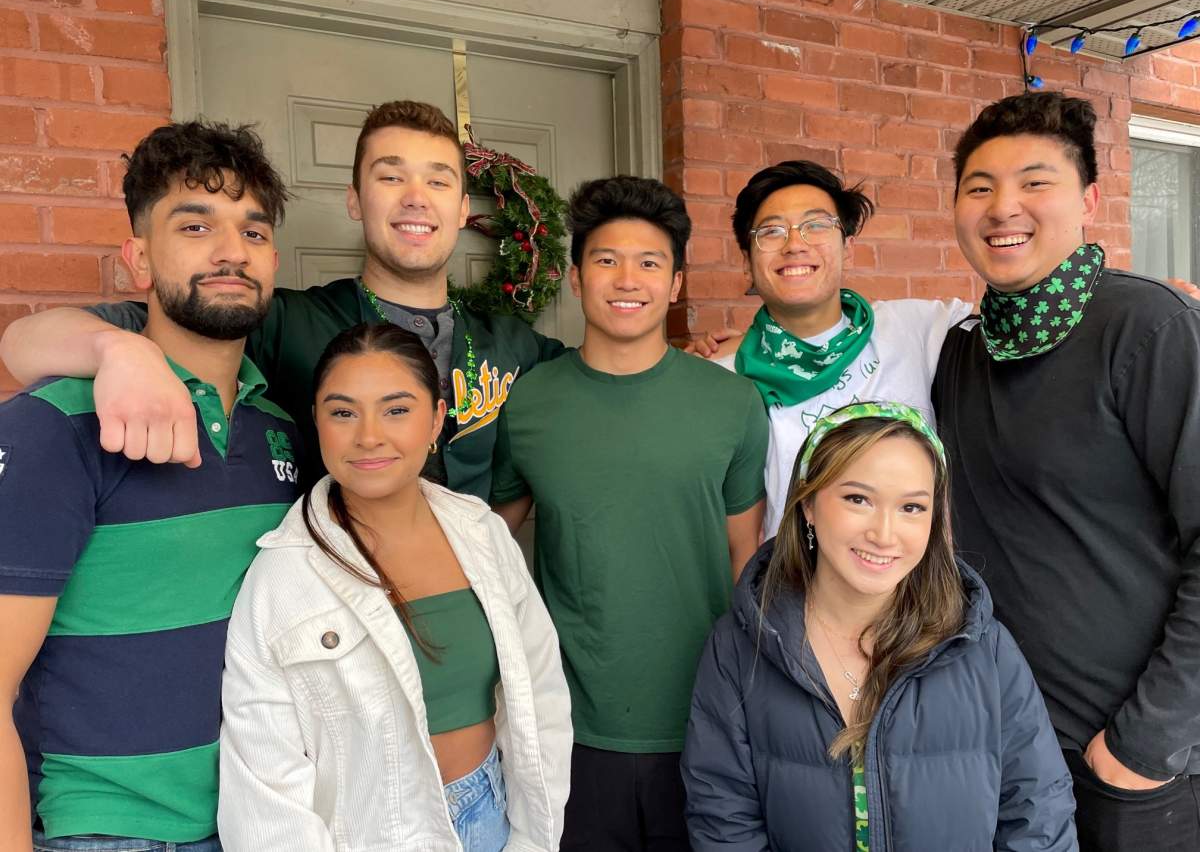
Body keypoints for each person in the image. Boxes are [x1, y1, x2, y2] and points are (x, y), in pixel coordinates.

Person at [0, 100, 564, 498]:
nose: (417, 199)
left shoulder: (511, 342)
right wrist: (118, 352)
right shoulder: (281, 318)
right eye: (391, 178)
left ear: (463, 210)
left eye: (439, 182)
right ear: (354, 200)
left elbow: (605, 380)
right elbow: (24, 343)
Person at [0, 121, 300, 851]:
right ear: (138, 259)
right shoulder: (58, 424)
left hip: (267, 818)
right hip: (107, 832)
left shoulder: (279, 426)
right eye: (195, 225)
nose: (232, 250)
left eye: (253, 233)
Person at [932, 91, 1200, 851]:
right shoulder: (965, 348)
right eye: (979, 186)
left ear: (1088, 199)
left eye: (1034, 182)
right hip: (1011, 752)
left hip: (1130, 767)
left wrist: (1142, 746)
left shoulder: (1147, 328)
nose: (1002, 206)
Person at [490, 175, 769, 850]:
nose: (627, 279)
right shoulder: (529, 404)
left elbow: (745, 559)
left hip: (703, 721)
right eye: (606, 259)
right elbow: (489, 547)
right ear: (578, 277)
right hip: (571, 726)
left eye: (650, 263)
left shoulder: (731, 404)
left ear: (675, 284)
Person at [218, 322, 571, 851]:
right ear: (316, 421)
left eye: (397, 409)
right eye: (343, 412)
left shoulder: (481, 532)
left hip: (491, 814)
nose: (368, 436)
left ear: (436, 420)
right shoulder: (283, 574)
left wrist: (531, 839)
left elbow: (540, 694)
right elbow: (266, 791)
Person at [682, 402, 1078, 851]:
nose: (885, 534)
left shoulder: (982, 647)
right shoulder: (740, 646)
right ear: (808, 504)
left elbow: (1038, 815)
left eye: (912, 507)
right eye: (858, 499)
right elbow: (724, 824)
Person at [703, 161, 972, 539]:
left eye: (816, 226)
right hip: (787, 591)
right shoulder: (722, 377)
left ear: (849, 248)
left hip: (912, 589)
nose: (795, 244)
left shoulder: (914, 327)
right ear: (747, 263)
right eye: (772, 231)